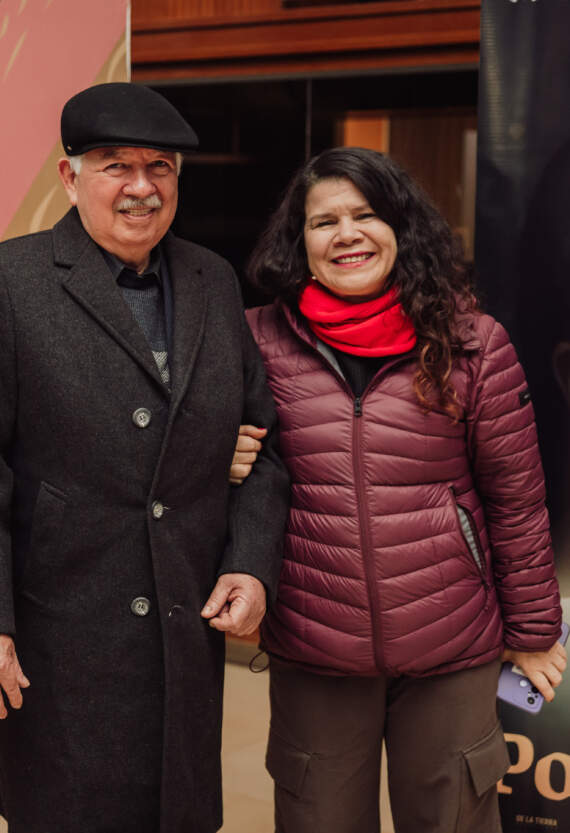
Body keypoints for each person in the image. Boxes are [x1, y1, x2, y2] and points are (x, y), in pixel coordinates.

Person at [0, 82, 290, 833]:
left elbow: (263, 446)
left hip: (182, 629)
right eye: (114, 165)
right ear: (69, 176)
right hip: (60, 638)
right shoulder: (8, 279)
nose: (139, 187)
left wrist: (251, 562)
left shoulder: (212, 279)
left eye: (159, 167)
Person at [242, 146, 564, 833]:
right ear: (300, 242)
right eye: (324, 221)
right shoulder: (257, 342)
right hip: (315, 642)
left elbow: (517, 498)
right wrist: (220, 455)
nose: (347, 234)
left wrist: (534, 630)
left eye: (366, 214)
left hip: (450, 645)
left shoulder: (473, 341)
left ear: (402, 226)